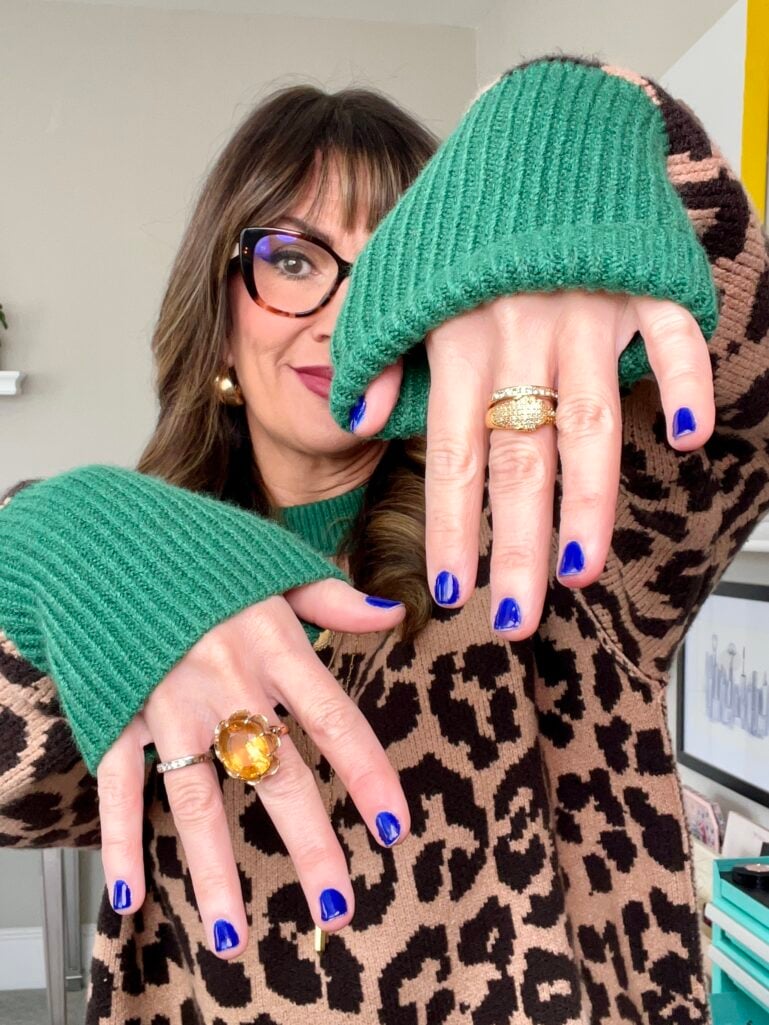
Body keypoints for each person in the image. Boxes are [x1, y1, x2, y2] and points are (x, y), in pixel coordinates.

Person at [0, 52, 766, 1024]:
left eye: (390, 265)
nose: (338, 316)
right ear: (217, 302)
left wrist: (569, 119)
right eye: (291, 258)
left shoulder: (572, 522)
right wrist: (44, 537)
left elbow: (740, 407)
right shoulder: (119, 581)